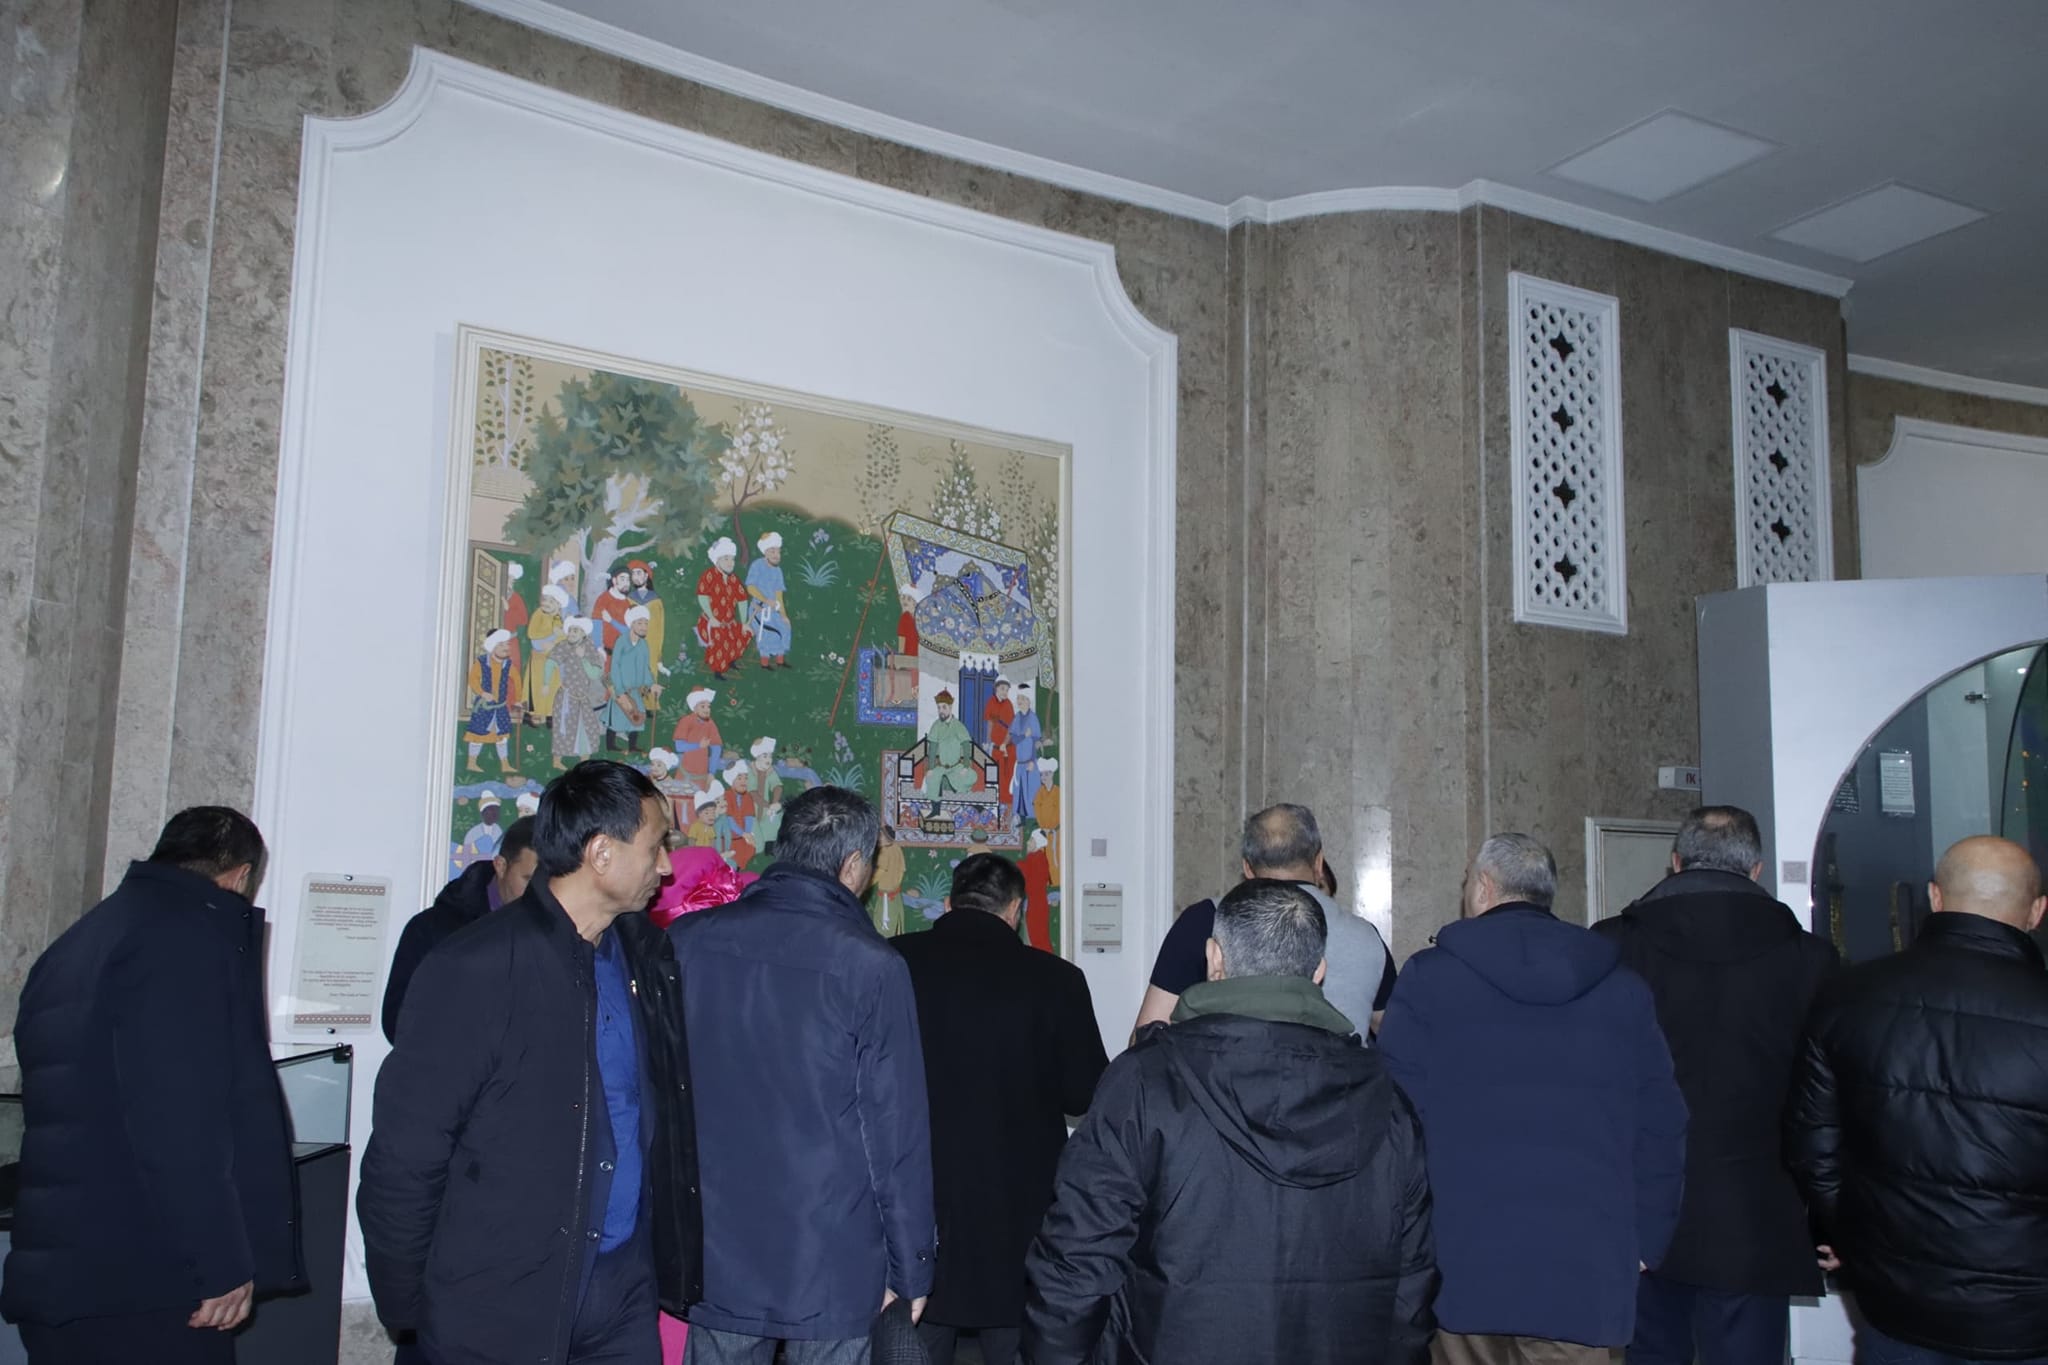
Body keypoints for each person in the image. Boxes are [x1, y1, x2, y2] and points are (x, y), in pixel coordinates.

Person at [358, 761, 701, 1365]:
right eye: (656, 847)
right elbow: (406, 1154)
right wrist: (411, 1307)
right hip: (501, 1301)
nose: (667, 867)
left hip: (621, 1293)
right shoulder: (475, 967)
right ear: (601, 853)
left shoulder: (645, 957)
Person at [1024, 879, 1436, 1365]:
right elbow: (1411, 1289)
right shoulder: (1387, 1101)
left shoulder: (1143, 1082)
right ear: (1318, 971)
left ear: (1213, 958)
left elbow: (1076, 1262)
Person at [2, 808, 301, 1363]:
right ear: (240, 876)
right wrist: (220, 1263)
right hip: (146, 1284)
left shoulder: (78, 943)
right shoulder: (185, 941)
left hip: (64, 1274)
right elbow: (180, 1123)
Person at [1376, 834, 1688, 1365]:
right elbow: (1662, 1122)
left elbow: (1396, 1119)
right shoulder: (1624, 990)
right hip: (1586, 1267)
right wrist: (1648, 1238)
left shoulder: (1428, 979)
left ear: (1483, 887)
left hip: (1461, 1257)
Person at [672, 785, 935, 1363]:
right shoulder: (872, 966)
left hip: (717, 1248)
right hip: (833, 1254)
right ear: (854, 864)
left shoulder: (687, 942)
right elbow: (894, 1135)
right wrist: (913, 1265)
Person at [1786, 835, 2048, 1364]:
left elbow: (1813, 1147)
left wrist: (1857, 1238)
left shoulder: (1850, 996)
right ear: (2037, 911)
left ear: (1934, 896)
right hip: (2027, 1316)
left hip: (1896, 1304)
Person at [1592, 806, 1838, 1365]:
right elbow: (1824, 1103)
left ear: (1676, 862)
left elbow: (1591, 1087)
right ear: (1756, 870)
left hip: (1640, 1211)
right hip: (1759, 1214)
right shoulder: (1812, 960)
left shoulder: (1610, 947)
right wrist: (1832, 1214)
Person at [895, 854, 1107, 1365]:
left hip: (918, 1207)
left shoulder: (894, 962)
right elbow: (1085, 1094)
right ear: (1015, 910)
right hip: (1017, 1216)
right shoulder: (1057, 979)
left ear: (949, 903)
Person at [1133, 804, 1396, 1037]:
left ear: (1247, 868)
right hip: (1339, 1078)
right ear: (1318, 863)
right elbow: (1395, 1037)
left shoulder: (1203, 921)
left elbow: (1147, 1038)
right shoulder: (1367, 937)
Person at [382, 815, 538, 1042]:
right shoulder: (430, 930)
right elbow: (398, 1023)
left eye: (549, 883)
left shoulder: (563, 934)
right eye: (529, 880)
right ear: (501, 866)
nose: (539, 893)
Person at [552, 616, 609, 768]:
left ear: (583, 633)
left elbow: (594, 674)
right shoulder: (563, 645)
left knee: (587, 727)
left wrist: (583, 658)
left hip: (582, 697)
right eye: (570, 630)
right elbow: (551, 662)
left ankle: (584, 760)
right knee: (563, 728)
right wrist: (545, 682)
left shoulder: (589, 648)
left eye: (575, 630)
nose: (571, 633)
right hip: (566, 695)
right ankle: (557, 761)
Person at [465, 627, 524, 773]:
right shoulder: (482, 662)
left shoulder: (508, 664)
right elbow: (473, 679)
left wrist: (518, 700)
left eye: (507, 644)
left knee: (502, 736)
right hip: (484, 707)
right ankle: (471, 763)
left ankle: (505, 765)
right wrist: (482, 693)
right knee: (477, 735)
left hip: (500, 707)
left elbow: (517, 680)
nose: (506, 648)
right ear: (492, 646)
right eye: (501, 645)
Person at [605, 605, 662, 753]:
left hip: (635, 690)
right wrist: (619, 690)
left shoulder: (643, 645)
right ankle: (610, 746)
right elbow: (615, 666)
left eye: (646, 623)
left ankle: (632, 747)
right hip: (621, 689)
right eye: (640, 623)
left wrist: (652, 685)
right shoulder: (622, 641)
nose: (643, 627)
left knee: (637, 717)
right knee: (617, 717)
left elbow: (645, 669)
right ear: (632, 624)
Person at [694, 539, 751, 678]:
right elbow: (702, 597)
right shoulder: (708, 576)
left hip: (729, 622)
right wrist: (711, 618)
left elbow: (742, 600)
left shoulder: (733, 579)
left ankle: (730, 660)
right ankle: (718, 670)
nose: (730, 562)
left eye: (732, 559)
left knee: (745, 633)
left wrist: (744, 623)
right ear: (717, 560)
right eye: (726, 558)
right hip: (710, 622)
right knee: (721, 639)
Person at [745, 532, 792, 668]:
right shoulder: (757, 565)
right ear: (765, 552)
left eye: (778, 551)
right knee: (768, 631)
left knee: (784, 626)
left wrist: (784, 615)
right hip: (758, 610)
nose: (776, 555)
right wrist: (765, 600)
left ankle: (780, 660)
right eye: (772, 551)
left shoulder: (778, 571)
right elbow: (750, 587)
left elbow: (779, 596)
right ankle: (764, 662)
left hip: (774, 610)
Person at [921, 691, 978, 797]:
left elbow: (966, 745)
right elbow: (932, 749)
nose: (941, 711)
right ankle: (939, 798)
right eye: (939, 708)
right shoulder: (936, 726)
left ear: (950, 707)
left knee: (972, 776)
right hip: (941, 767)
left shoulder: (958, 726)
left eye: (944, 707)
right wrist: (931, 768)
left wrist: (966, 767)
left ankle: (949, 785)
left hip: (956, 767)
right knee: (930, 779)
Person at [1007, 685, 1043, 818]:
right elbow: (1014, 739)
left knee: (1030, 792)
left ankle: (1032, 819)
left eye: (1022, 698)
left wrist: (1033, 760)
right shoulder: (1017, 718)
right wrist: (1024, 736)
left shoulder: (1033, 718)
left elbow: (1035, 741)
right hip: (1020, 762)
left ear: (1028, 700)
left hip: (1030, 762)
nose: (1019, 701)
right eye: (1018, 698)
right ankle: (1020, 819)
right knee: (1020, 792)